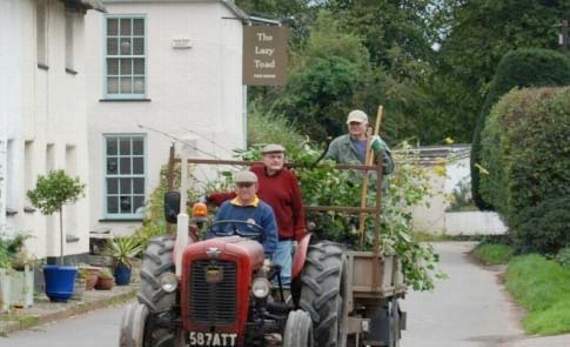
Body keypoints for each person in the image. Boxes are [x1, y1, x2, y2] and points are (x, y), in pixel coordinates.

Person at [208, 144, 306, 289]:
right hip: (254, 238)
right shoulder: (255, 173)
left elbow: (298, 207)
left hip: (281, 236)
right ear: (263, 159)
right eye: (272, 157)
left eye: (279, 157)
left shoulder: (288, 177)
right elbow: (240, 193)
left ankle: (279, 305)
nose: (276, 160)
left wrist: (299, 233)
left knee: (281, 280)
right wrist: (213, 198)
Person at [209, 170, 278, 258]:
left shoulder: (265, 210)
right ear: (235, 188)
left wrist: (262, 255)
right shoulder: (225, 207)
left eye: (248, 185)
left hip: (253, 257)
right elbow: (213, 232)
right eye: (241, 186)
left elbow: (271, 240)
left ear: (256, 187)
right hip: (226, 255)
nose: (244, 189)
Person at [325, 109, 394, 173]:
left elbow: (388, 169)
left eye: (358, 123)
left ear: (366, 125)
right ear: (348, 125)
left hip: (373, 184)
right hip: (348, 185)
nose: (354, 126)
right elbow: (327, 166)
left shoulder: (377, 142)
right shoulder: (338, 144)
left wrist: (379, 150)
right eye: (352, 123)